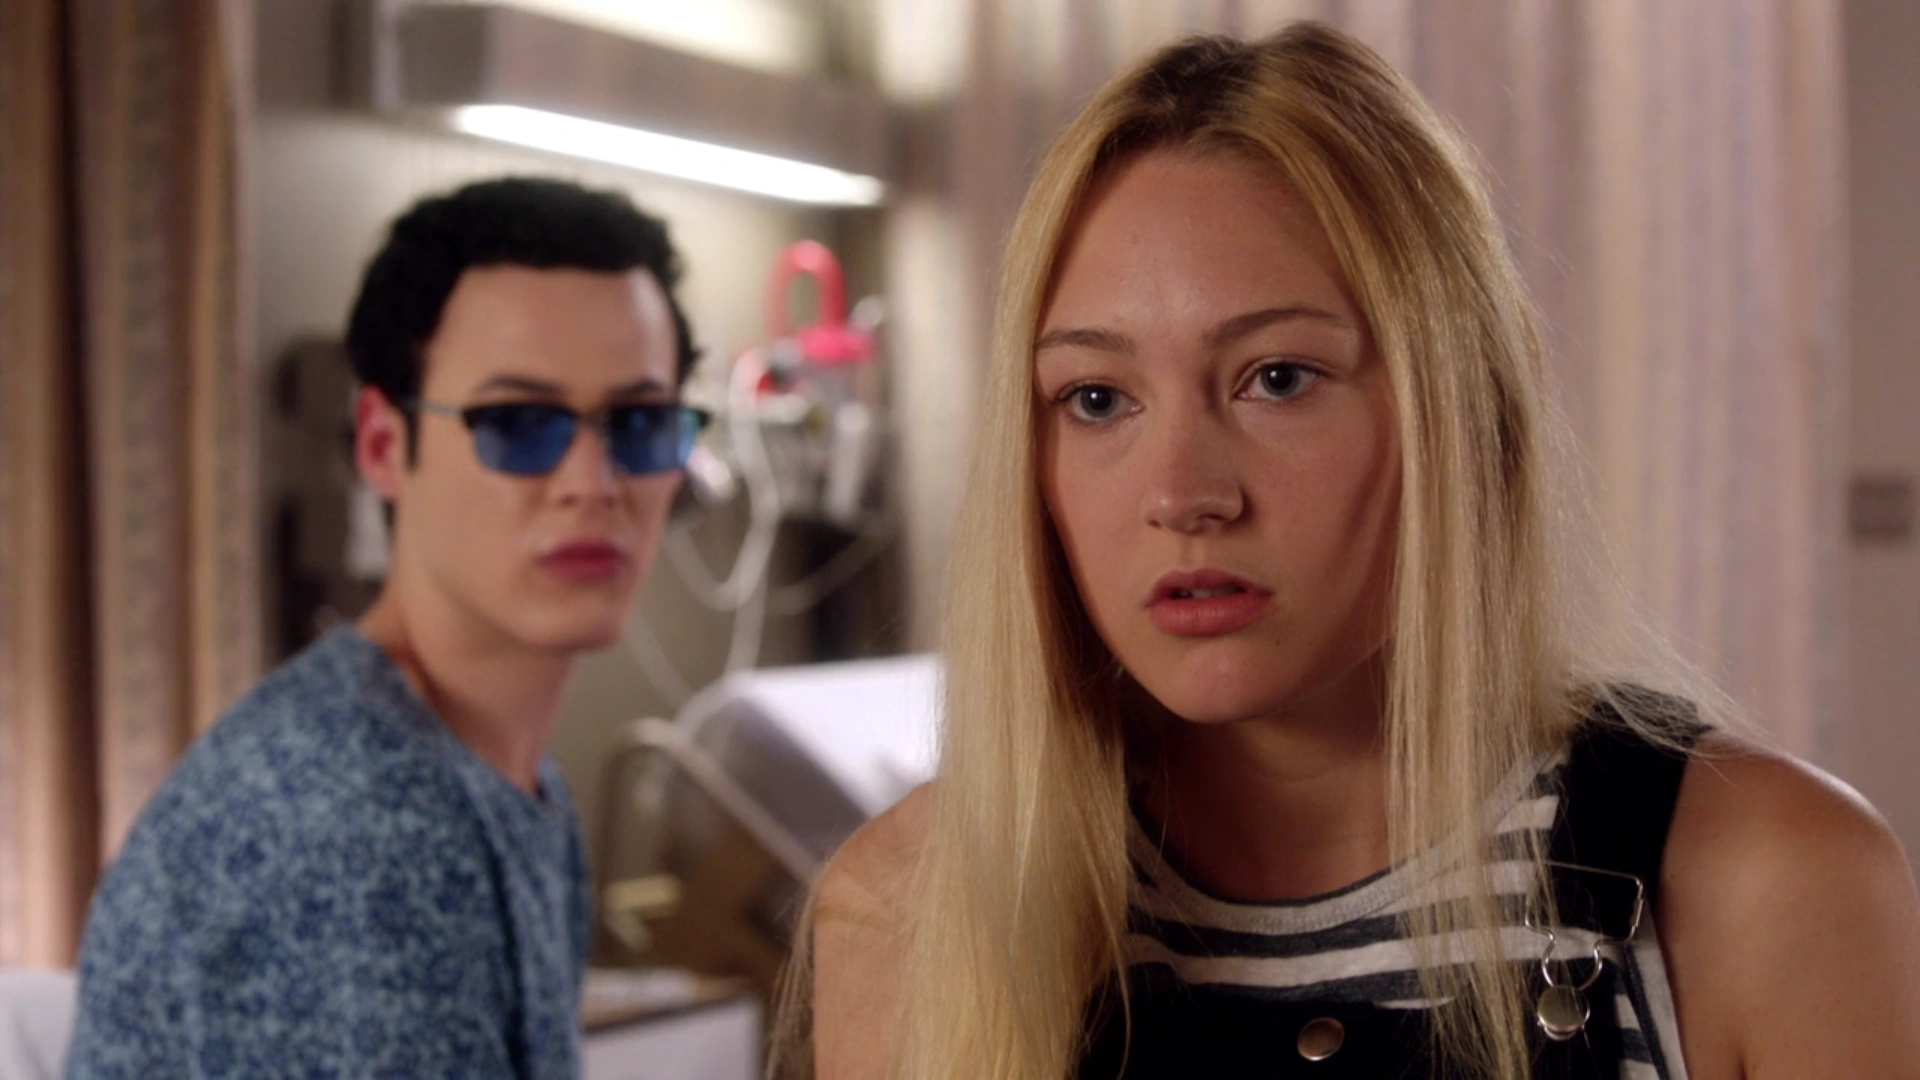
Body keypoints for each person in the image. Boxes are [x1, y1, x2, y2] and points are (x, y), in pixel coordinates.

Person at [797, 22, 1920, 1080]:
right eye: (1097, 398)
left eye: (1279, 379)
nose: (1184, 496)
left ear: (1464, 411)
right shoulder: (908, 915)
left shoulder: (1767, 885)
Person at [67, 176, 704, 1077]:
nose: (591, 484)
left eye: (639, 424)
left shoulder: (510, 783)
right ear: (381, 444)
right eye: (519, 425)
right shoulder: (356, 823)